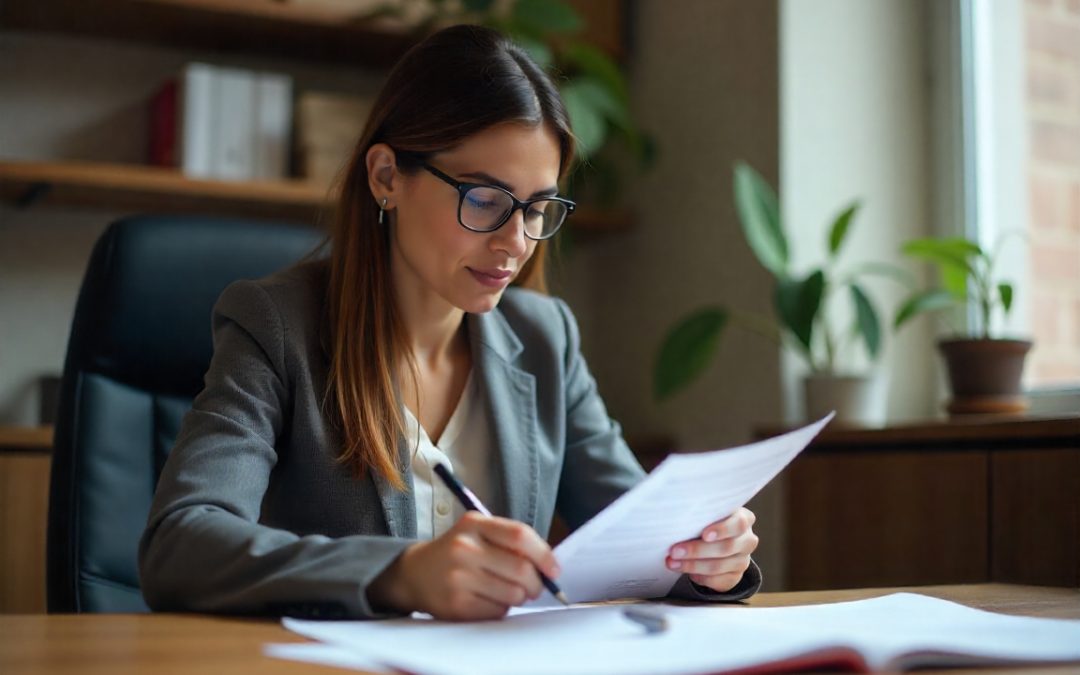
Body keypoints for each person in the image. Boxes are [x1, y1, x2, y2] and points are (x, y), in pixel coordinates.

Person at [138, 24, 761, 621]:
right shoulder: (277, 327)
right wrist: (401, 573)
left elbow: (641, 532)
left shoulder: (545, 338)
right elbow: (180, 543)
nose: (516, 242)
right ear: (386, 177)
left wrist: (706, 557)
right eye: (485, 200)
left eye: (537, 208)